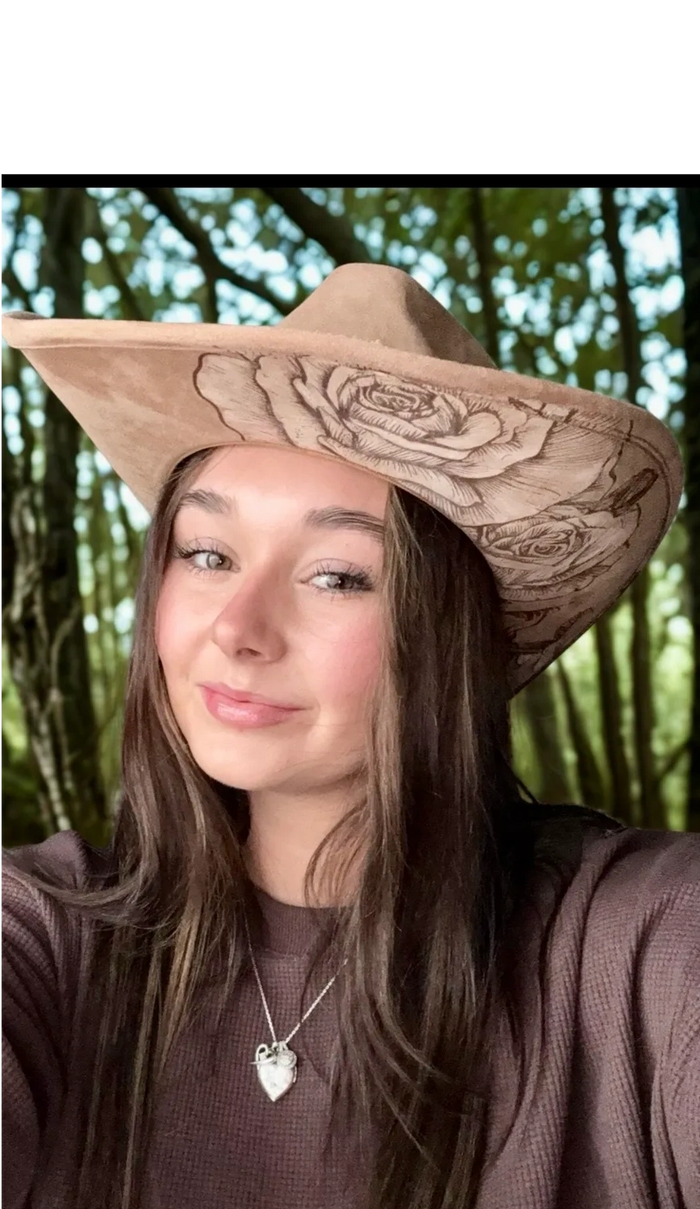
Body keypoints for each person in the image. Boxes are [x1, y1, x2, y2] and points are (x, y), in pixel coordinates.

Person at [0, 263, 698, 1209]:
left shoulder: (635, 946)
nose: (237, 627)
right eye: (207, 553)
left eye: (337, 575)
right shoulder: (50, 938)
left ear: (450, 636)